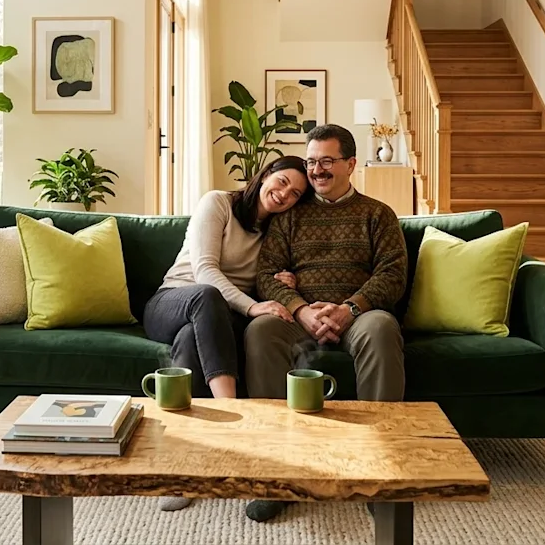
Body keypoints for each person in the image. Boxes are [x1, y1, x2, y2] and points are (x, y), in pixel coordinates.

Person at [243, 124, 408, 523]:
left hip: (357, 317)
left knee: (382, 327)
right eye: (312, 161)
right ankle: (276, 471)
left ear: (351, 164)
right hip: (301, 316)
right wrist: (300, 309)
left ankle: (377, 468)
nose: (317, 170)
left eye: (327, 161)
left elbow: (393, 274)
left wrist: (349, 308)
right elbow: (266, 274)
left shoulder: (377, 214)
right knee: (261, 330)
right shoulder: (290, 217)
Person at [143, 155, 313, 512]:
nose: (284, 195)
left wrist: (283, 282)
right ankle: (234, 423)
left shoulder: (278, 231)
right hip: (174, 300)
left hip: (219, 317)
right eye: (282, 182)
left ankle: (185, 468)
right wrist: (253, 307)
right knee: (207, 296)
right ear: (266, 174)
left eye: (296, 193)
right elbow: (204, 270)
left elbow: (269, 279)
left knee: (192, 340)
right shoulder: (218, 202)